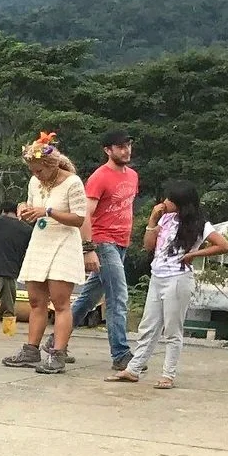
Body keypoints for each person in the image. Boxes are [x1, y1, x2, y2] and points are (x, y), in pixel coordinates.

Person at [108, 181, 228, 390]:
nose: (165, 202)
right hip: (158, 275)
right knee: (148, 325)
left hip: (178, 278)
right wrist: (153, 220)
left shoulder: (200, 224)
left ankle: (168, 374)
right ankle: (134, 368)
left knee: (172, 329)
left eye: (170, 200)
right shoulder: (165, 218)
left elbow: (224, 245)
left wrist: (194, 254)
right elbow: (148, 245)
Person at [2, 133, 91, 376]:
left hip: (63, 241)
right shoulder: (35, 183)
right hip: (40, 241)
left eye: (39, 170)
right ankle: (31, 349)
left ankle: (58, 353)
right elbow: (32, 205)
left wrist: (48, 211)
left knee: (61, 303)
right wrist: (24, 209)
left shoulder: (72, 182)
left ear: (51, 165)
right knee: (35, 300)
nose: (36, 175)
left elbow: (79, 218)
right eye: (32, 171)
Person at [71, 130, 138, 371]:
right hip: (103, 242)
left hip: (121, 242)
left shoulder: (132, 176)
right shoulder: (100, 177)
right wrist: (88, 248)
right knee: (117, 297)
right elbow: (86, 214)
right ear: (107, 150)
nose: (126, 150)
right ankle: (120, 353)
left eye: (128, 145)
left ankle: (55, 342)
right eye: (120, 146)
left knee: (87, 299)